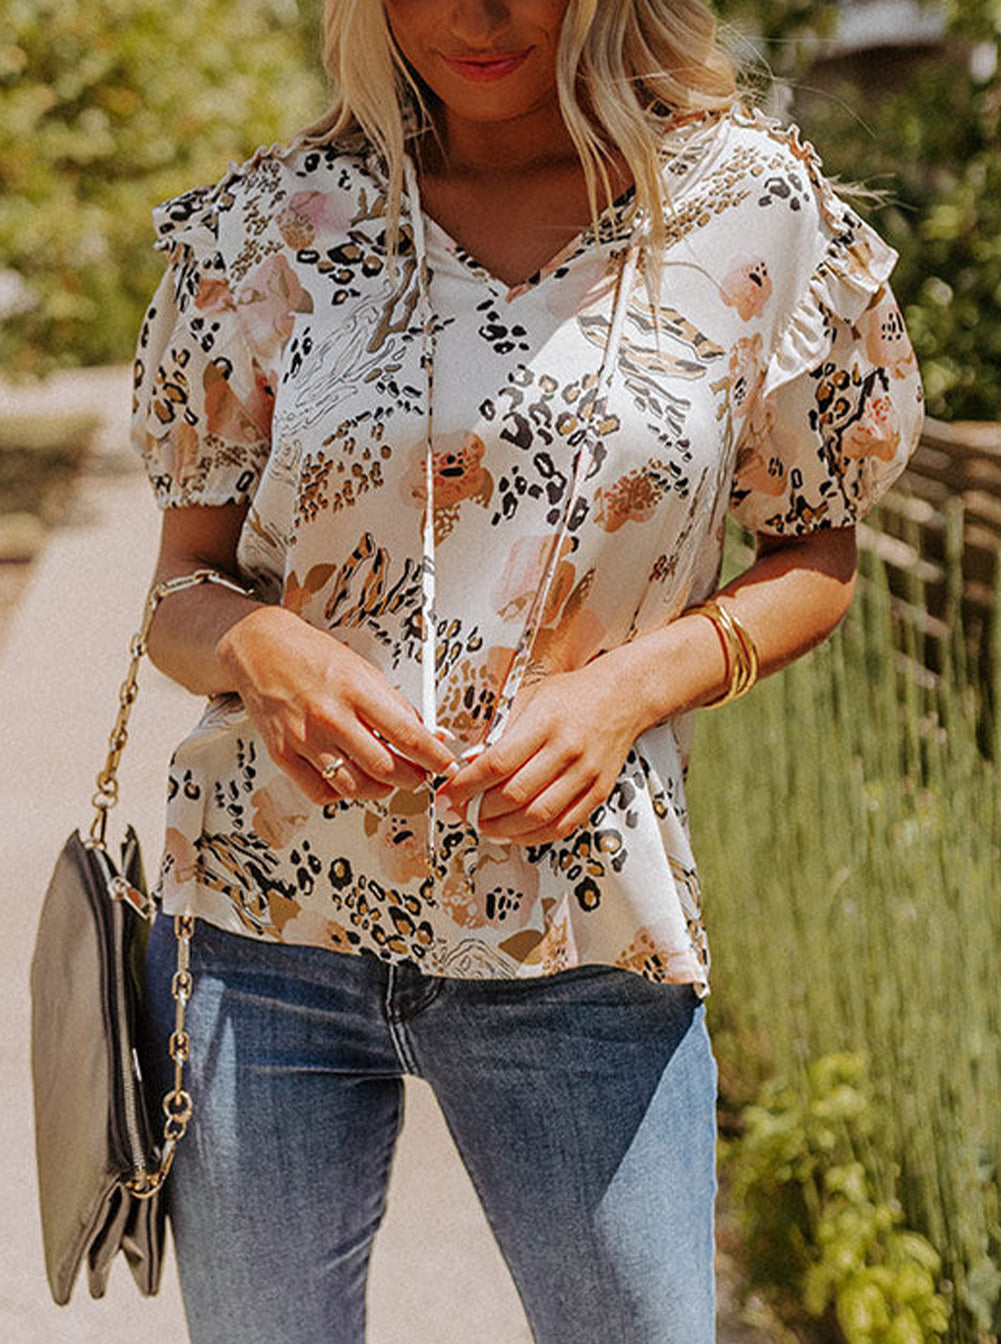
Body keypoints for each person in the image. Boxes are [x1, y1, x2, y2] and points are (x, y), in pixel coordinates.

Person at [132, 1, 924, 1340]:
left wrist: (629, 690)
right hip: (260, 931)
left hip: (579, 928)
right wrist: (259, 647)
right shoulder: (270, 222)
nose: (473, 15)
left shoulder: (750, 209)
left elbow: (814, 551)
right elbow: (179, 591)